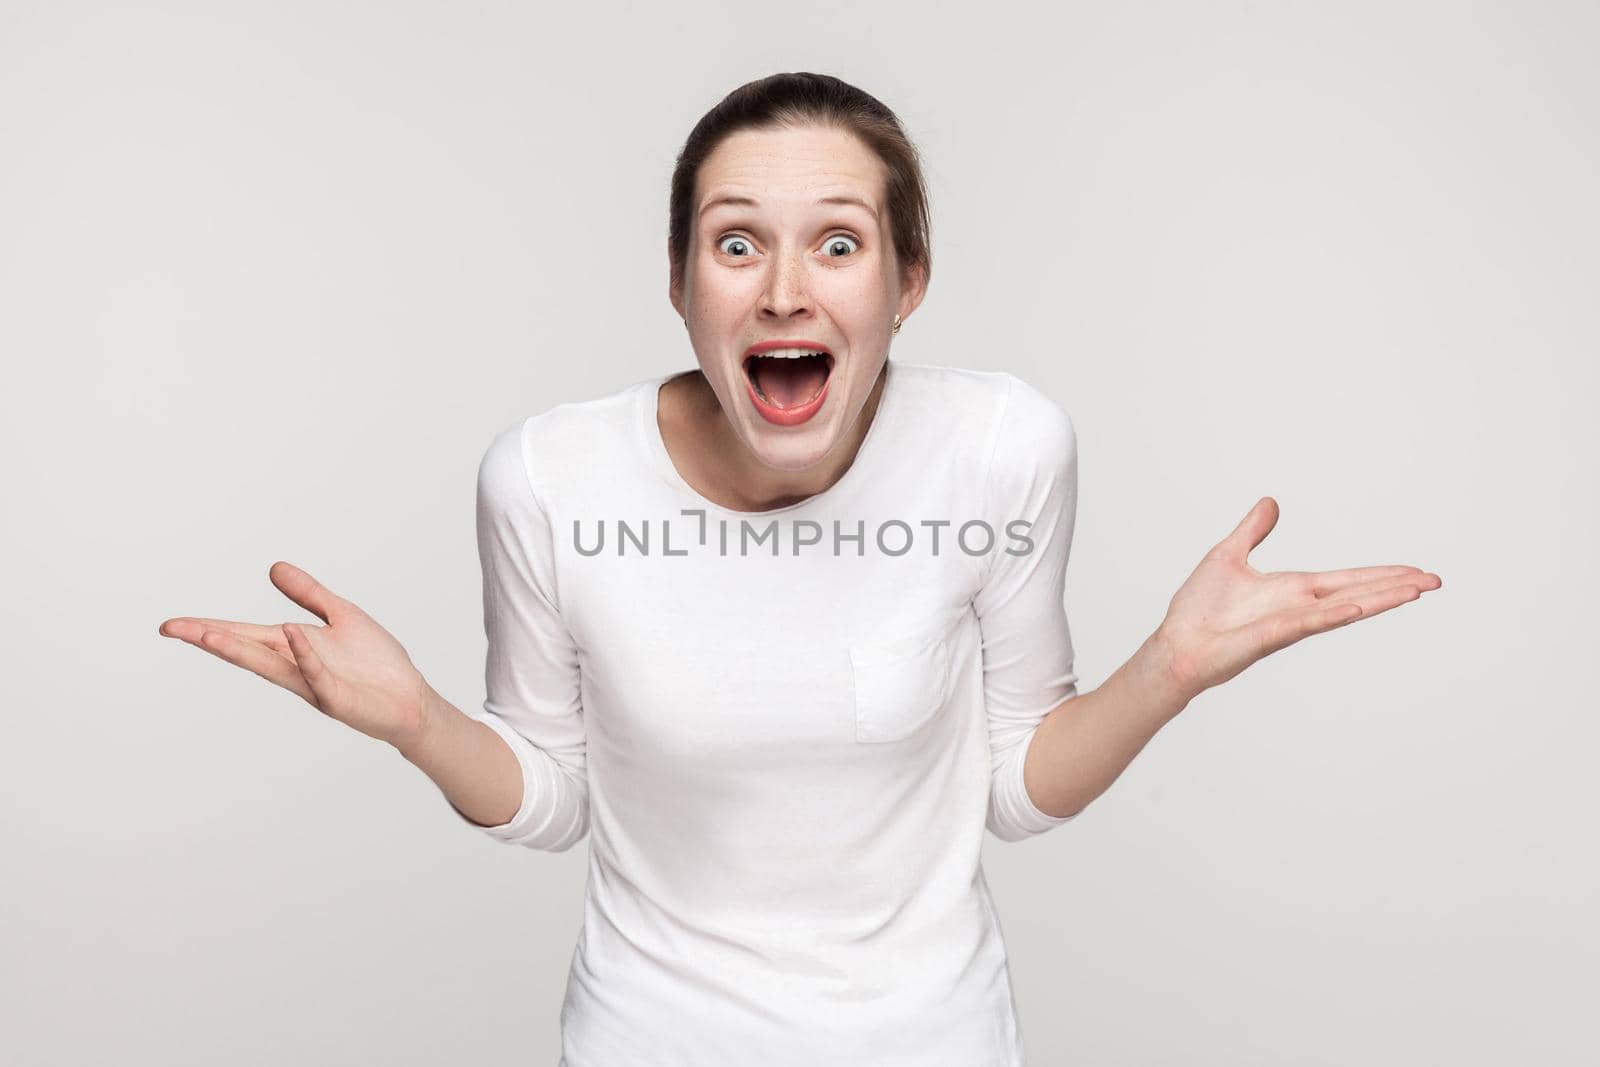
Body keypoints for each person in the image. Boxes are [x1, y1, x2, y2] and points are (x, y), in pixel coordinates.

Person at [159, 72, 1442, 1065]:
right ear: (678, 282)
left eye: (837, 243)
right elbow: (552, 797)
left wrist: (1167, 669)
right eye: (735, 244)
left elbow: (1014, 785)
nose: (784, 290)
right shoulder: (549, 478)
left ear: (906, 281)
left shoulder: (997, 447)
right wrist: (417, 721)